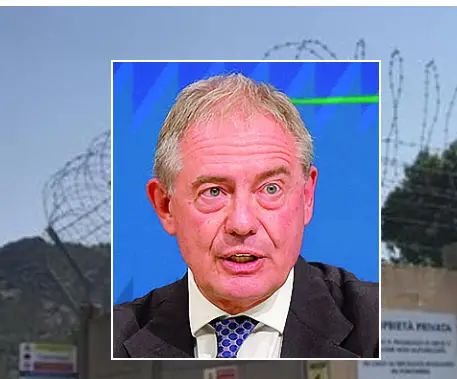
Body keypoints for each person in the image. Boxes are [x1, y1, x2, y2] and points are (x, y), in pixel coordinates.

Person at [111, 72, 380, 359]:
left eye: (271, 189)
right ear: (165, 205)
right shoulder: (113, 339)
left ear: (306, 197)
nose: (242, 224)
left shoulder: (378, 325)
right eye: (213, 191)